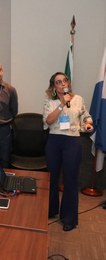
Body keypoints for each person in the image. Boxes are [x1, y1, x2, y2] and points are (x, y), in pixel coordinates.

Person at [43, 72, 93, 232]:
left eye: (65, 80)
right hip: (54, 141)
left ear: (68, 82)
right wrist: (62, 104)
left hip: (72, 141)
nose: (63, 84)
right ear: (54, 86)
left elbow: (85, 115)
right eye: (58, 82)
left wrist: (87, 123)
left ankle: (69, 218)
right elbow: (49, 120)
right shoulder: (50, 102)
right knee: (52, 178)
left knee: (70, 179)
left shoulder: (78, 99)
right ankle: (50, 210)